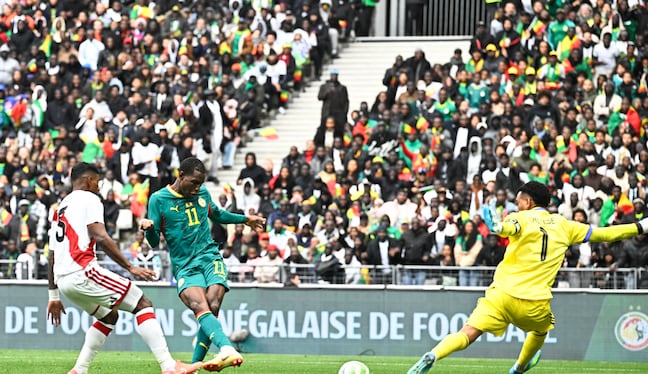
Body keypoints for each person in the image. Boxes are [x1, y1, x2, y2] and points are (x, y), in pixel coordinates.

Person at [408, 181, 648, 374]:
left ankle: (434, 354)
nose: (516, 203)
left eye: (518, 200)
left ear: (529, 201)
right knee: (541, 331)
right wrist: (640, 227)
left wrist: (498, 227)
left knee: (468, 332)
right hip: (534, 301)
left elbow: (508, 227)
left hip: (501, 294)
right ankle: (518, 368)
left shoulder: (520, 217)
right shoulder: (565, 225)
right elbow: (606, 234)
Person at [46, 163, 200, 374]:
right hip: (83, 271)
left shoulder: (60, 208)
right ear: (89, 180)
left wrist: (53, 296)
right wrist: (130, 267)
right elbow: (100, 235)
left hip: (64, 282)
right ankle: (169, 367)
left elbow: (52, 254)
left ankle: (79, 370)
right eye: (98, 181)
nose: (99, 186)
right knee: (143, 303)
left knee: (109, 316)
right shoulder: (90, 199)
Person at [140, 157, 265, 372]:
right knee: (200, 306)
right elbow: (153, 242)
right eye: (194, 182)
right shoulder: (158, 199)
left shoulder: (202, 193)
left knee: (212, 305)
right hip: (185, 265)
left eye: (201, 183)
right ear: (180, 175)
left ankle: (197, 365)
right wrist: (149, 228)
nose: (197, 187)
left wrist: (245, 219)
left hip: (210, 256)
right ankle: (226, 348)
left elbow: (217, 214)